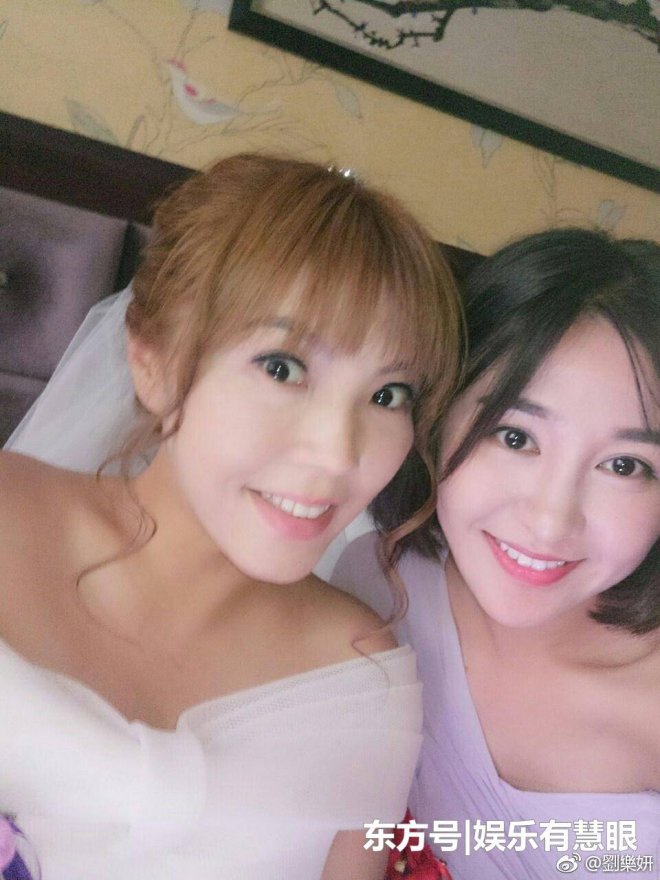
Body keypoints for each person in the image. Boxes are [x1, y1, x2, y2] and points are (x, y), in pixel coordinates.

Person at [0, 154, 464, 880]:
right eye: (282, 368)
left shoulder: (363, 680)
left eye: (388, 395)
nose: (338, 454)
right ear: (152, 361)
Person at [334, 229, 660, 880]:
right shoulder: (377, 585)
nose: (550, 520)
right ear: (438, 414)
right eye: (514, 436)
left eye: (624, 465)